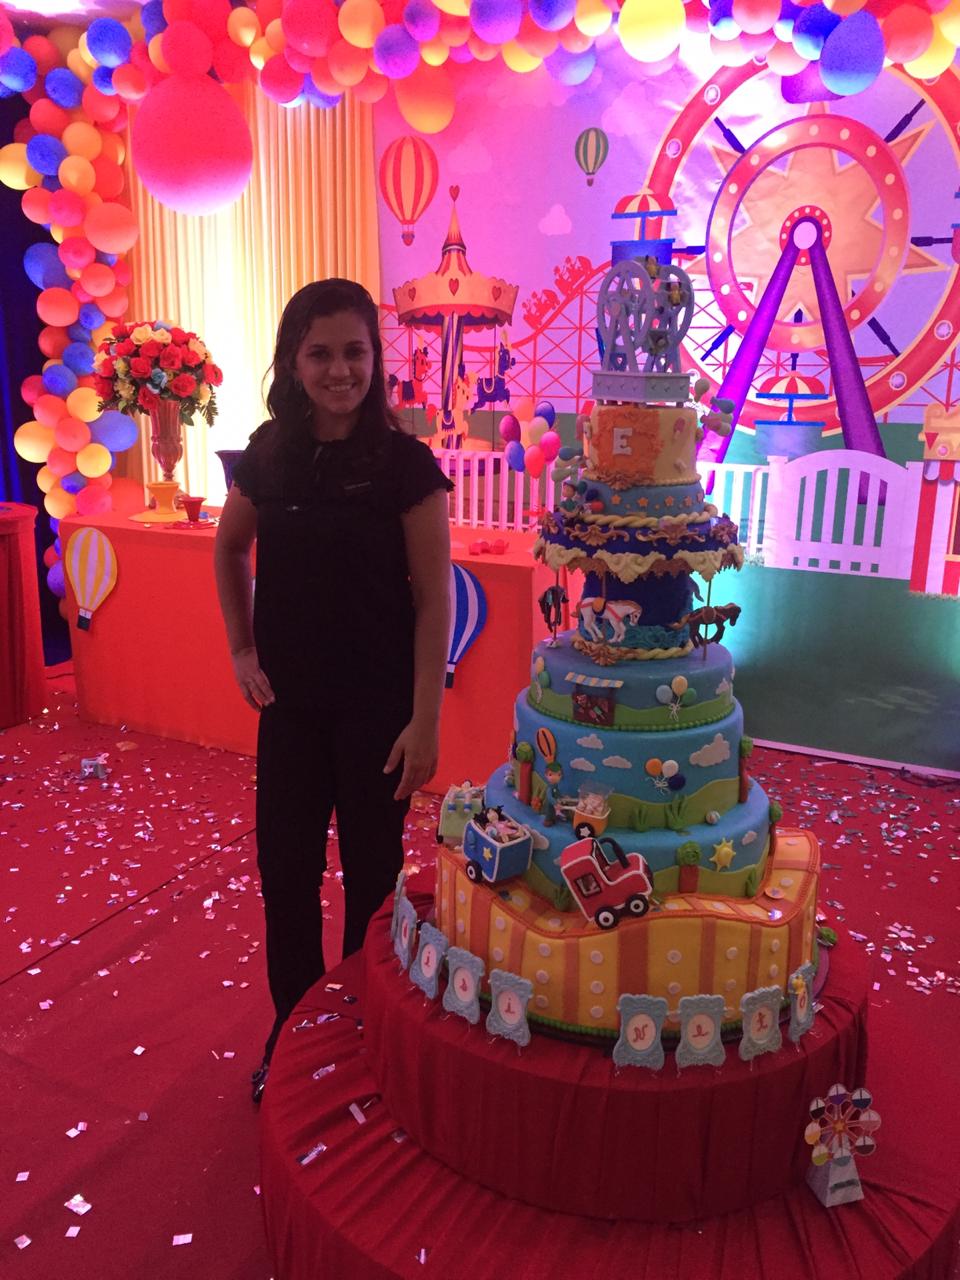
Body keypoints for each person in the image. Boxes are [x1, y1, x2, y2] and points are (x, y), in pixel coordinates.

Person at [214, 279, 452, 1103]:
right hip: (289, 713)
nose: (339, 370)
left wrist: (426, 721)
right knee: (285, 876)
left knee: (372, 880)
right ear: (292, 361)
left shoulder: (405, 466)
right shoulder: (269, 453)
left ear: (376, 360)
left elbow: (435, 601)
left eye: (355, 352)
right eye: (320, 353)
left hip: (378, 715)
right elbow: (229, 548)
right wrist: (241, 648)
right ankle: (292, 1033)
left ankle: (358, 1033)